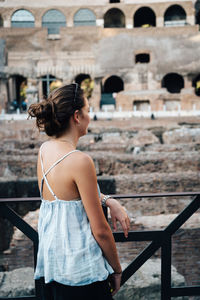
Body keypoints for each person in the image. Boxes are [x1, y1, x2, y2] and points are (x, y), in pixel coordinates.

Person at [28, 83, 130, 300]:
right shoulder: (80, 161)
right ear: (77, 116)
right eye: (88, 110)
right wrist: (117, 269)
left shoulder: (44, 150)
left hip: (53, 271)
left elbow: (70, 195)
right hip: (83, 275)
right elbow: (101, 230)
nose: (90, 116)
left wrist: (109, 200)